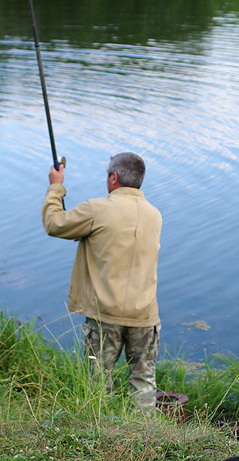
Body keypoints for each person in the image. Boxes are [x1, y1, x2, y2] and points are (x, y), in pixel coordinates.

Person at [42, 152, 162, 410]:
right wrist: (89, 234)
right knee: (143, 383)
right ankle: (145, 441)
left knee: (98, 382)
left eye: (107, 173)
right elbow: (121, 239)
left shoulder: (96, 209)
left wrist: (56, 185)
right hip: (145, 316)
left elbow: (54, 224)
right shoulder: (155, 215)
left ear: (113, 177)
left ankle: (101, 436)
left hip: (105, 315)